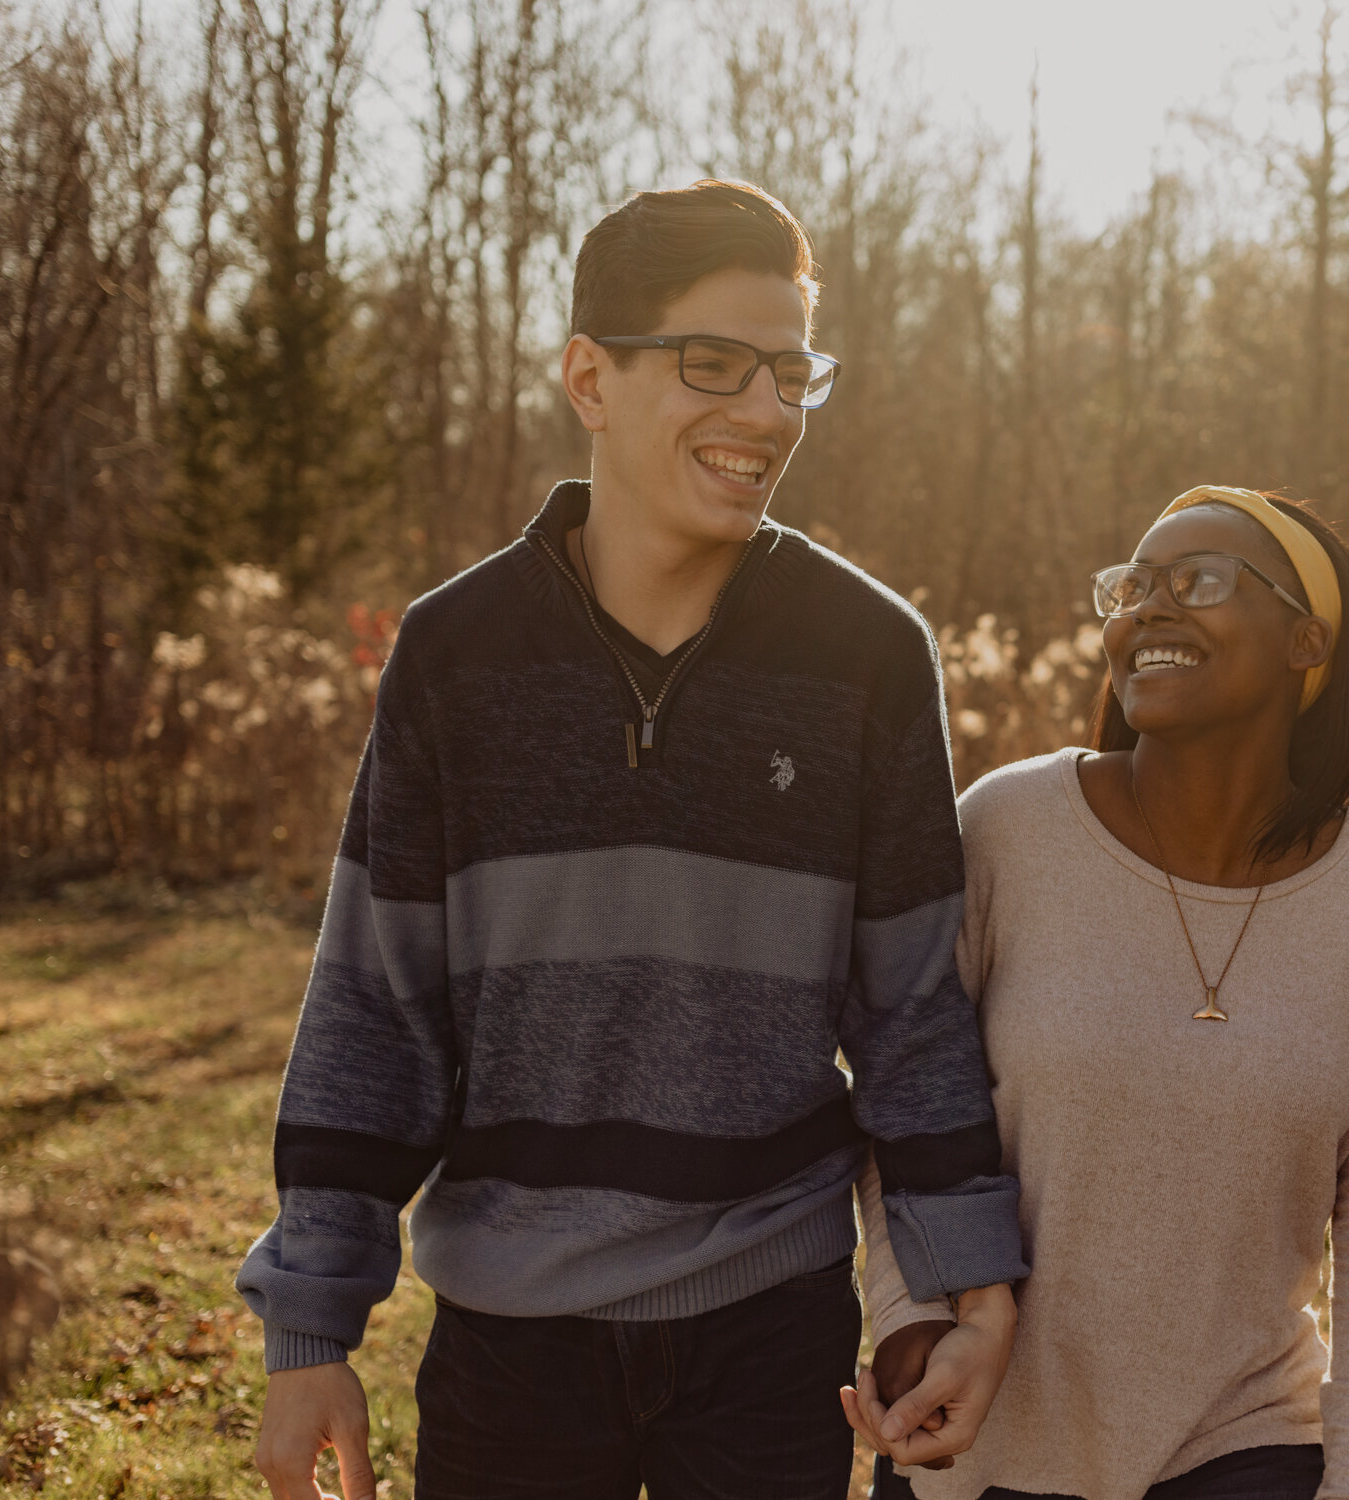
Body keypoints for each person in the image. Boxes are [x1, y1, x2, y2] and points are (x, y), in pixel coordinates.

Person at [237, 180, 1022, 1500]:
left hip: (772, 1328)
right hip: (510, 1342)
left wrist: (969, 1287)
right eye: (713, 363)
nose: (766, 413)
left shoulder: (868, 656)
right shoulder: (456, 653)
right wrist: (309, 1325)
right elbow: (378, 1007)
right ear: (590, 379)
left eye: (790, 374)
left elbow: (912, 1015)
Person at [846, 486, 1349, 1500]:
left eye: (1199, 580)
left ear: (1307, 640)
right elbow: (901, 1091)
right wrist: (911, 1311)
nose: (1150, 608)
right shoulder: (1007, 831)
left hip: (1245, 1441)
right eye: (1132, 588)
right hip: (982, 1443)